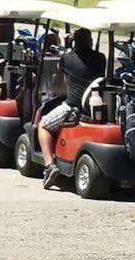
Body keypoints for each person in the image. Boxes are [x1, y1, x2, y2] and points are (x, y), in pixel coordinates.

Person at [36, 27, 106, 186]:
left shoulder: (67, 59)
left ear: (75, 41)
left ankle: (49, 165)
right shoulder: (101, 58)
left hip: (73, 106)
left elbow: (58, 81)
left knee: (43, 125)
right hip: (94, 104)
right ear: (91, 41)